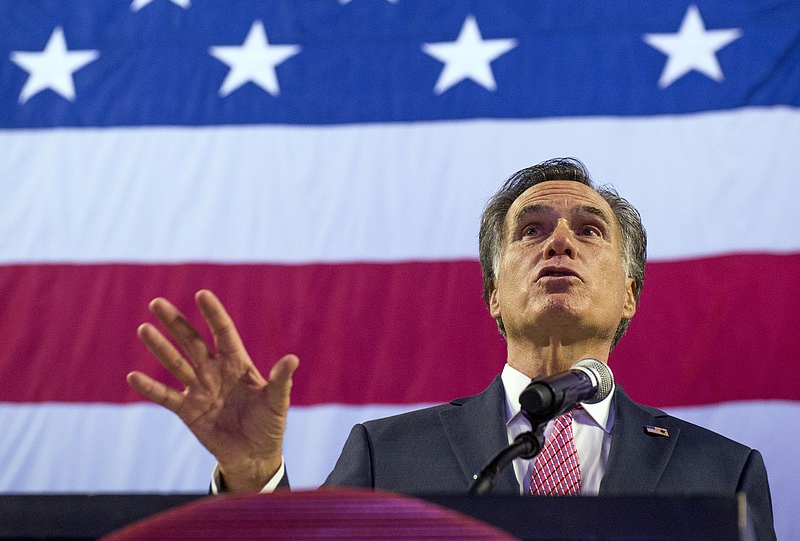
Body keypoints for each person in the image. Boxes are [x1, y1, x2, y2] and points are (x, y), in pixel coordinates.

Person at [127, 158, 776, 540]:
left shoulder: (724, 472)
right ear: (494, 294)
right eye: (530, 230)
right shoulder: (388, 452)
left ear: (630, 294)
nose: (558, 243)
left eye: (587, 229)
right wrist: (254, 474)